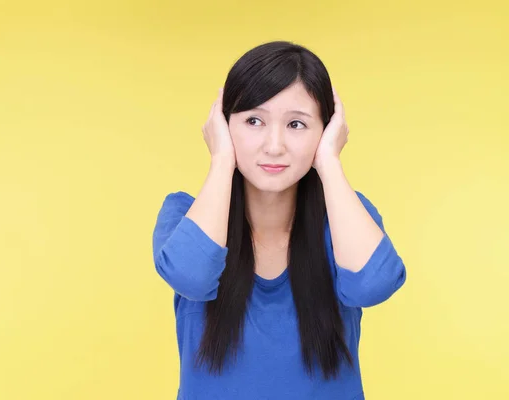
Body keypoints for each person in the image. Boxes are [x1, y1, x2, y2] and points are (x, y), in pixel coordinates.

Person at [152, 41, 407, 400]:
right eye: (253, 121)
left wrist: (330, 163)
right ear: (223, 127)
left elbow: (373, 285)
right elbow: (191, 276)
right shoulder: (183, 216)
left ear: (326, 130)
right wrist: (222, 159)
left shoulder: (346, 218)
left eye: (297, 124)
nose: (274, 145)